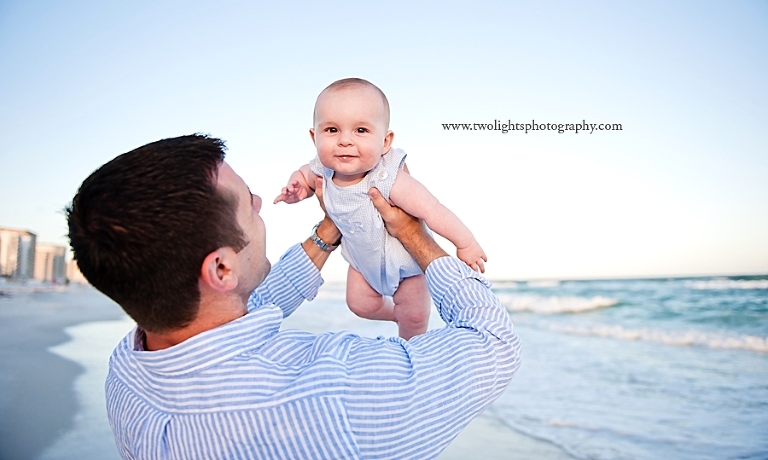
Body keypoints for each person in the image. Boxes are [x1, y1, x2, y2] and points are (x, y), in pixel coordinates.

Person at [67, 134, 521, 460]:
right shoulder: (337, 395)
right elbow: (495, 345)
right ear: (221, 268)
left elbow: (245, 310)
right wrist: (412, 234)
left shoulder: (128, 371)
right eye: (248, 202)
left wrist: (333, 227)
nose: (262, 201)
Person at [275, 78, 487, 339]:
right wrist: (296, 189)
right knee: (360, 304)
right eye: (331, 130)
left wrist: (465, 243)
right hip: (363, 265)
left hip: (407, 266)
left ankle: (411, 353)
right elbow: (304, 178)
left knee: (415, 317)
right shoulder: (322, 170)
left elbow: (433, 210)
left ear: (385, 142)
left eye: (361, 130)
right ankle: (394, 313)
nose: (345, 141)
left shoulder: (389, 178)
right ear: (314, 136)